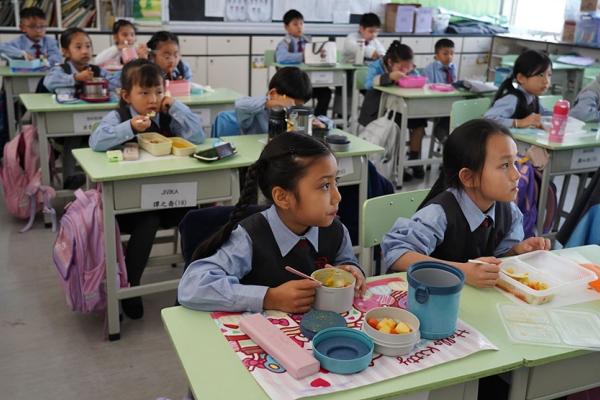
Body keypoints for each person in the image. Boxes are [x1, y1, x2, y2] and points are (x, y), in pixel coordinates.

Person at [178, 133, 366, 313]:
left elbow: (345, 260)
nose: (337, 196)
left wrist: (352, 270)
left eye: (336, 181)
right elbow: (192, 287)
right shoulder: (249, 237)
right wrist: (269, 298)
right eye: (325, 186)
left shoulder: (336, 230)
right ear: (282, 197)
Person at [90, 59, 204, 318]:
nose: (153, 99)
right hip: (132, 204)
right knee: (148, 221)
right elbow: (96, 141)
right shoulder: (119, 116)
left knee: (198, 217)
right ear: (126, 95)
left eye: (158, 91)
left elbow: (197, 136)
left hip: (173, 195)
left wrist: (174, 105)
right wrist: (129, 127)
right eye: (144, 93)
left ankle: (195, 282)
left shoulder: (167, 115)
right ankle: (131, 286)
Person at [382, 119, 550, 288]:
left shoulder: (509, 212)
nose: (517, 175)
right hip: (430, 296)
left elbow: (498, 256)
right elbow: (397, 254)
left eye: (515, 162)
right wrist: (461, 272)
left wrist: (517, 251)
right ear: (468, 177)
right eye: (505, 165)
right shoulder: (439, 214)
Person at [359, 40, 427, 180]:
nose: (405, 70)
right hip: (378, 111)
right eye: (401, 67)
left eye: (408, 66)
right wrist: (389, 77)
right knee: (397, 124)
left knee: (420, 122)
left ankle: (414, 159)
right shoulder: (376, 66)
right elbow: (368, 84)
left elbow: (417, 78)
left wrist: (412, 74)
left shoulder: (409, 68)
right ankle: (396, 165)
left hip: (403, 107)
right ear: (390, 62)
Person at [235, 66, 331, 134]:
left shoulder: (296, 112)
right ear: (273, 94)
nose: (293, 110)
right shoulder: (256, 111)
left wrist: (322, 124)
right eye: (290, 105)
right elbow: (240, 105)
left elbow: (328, 122)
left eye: (298, 106)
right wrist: (269, 103)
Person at [274, 9, 331, 117]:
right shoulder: (285, 43)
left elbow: (314, 56)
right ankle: (294, 118)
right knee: (296, 95)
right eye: (295, 24)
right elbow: (281, 57)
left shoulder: (308, 41)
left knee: (326, 92)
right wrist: (304, 55)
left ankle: (318, 118)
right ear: (286, 27)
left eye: (301, 23)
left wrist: (319, 55)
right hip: (292, 85)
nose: (299, 27)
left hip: (307, 82)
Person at [484, 49, 552, 129]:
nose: (546, 81)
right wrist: (519, 122)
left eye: (549, 75)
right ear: (521, 78)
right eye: (541, 75)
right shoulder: (512, 99)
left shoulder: (532, 98)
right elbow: (488, 119)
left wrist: (559, 115)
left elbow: (543, 114)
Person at [423, 38, 457, 144]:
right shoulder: (429, 69)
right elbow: (426, 88)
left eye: (452, 53)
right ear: (437, 56)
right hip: (435, 103)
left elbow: (454, 85)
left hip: (449, 103)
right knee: (447, 117)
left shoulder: (452, 67)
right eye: (445, 54)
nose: (449, 57)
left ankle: (449, 139)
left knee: (456, 114)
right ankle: (443, 135)